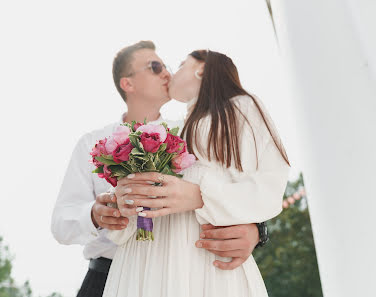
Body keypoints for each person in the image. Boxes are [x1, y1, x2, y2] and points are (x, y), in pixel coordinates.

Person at [51, 41, 268, 297]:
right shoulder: (91, 143)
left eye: (166, 65)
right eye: (155, 67)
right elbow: (60, 223)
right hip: (105, 276)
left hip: (171, 277)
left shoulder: (190, 135)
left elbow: (230, 183)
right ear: (127, 84)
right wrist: (95, 215)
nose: (167, 72)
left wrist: (258, 230)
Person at [102, 49, 290, 296]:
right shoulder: (165, 130)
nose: (170, 74)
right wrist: (123, 204)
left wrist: (201, 196)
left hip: (200, 258)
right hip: (147, 259)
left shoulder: (240, 107)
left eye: (180, 65)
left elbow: (267, 187)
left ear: (201, 69)